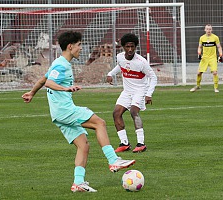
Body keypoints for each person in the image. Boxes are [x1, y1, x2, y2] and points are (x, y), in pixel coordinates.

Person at [22, 31, 135, 193]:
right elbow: (49, 82)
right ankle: (113, 160)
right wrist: (65, 88)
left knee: (83, 145)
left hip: (58, 115)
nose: (81, 49)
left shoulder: (59, 63)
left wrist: (31, 93)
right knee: (100, 123)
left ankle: (78, 183)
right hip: (65, 111)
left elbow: (42, 80)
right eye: (79, 45)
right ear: (70, 46)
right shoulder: (61, 65)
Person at [106, 33, 157, 153]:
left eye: (132, 47)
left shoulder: (141, 62)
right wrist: (110, 74)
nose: (130, 49)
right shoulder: (120, 57)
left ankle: (141, 143)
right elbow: (120, 66)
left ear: (136, 47)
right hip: (127, 91)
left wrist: (149, 94)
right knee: (116, 113)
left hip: (140, 91)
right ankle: (124, 143)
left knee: (134, 112)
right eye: (127, 47)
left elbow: (153, 77)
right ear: (123, 47)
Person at [190, 24, 223, 93]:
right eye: (207, 29)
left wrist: (221, 55)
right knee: (199, 73)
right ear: (205, 30)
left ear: (212, 30)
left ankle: (216, 88)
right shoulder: (202, 38)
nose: (208, 30)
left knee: (214, 72)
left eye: (210, 29)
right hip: (204, 58)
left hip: (212, 58)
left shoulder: (215, 37)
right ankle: (198, 86)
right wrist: (199, 54)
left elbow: (219, 47)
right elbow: (199, 47)